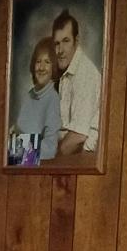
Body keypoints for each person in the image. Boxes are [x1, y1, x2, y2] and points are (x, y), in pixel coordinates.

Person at [52, 9, 101, 156]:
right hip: (70, 154)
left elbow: (78, 138)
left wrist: (49, 160)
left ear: (76, 41)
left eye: (66, 41)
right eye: (57, 43)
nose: (60, 50)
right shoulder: (66, 73)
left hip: (85, 159)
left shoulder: (84, 73)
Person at [14, 37, 61, 162]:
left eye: (47, 62)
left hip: (35, 166)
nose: (41, 67)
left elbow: (50, 149)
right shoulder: (29, 95)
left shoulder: (53, 99)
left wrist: (14, 151)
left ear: (54, 67)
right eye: (38, 61)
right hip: (19, 162)